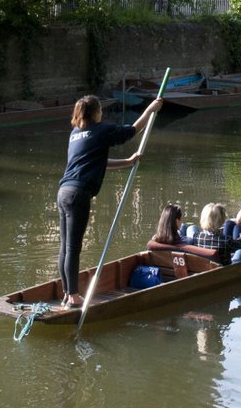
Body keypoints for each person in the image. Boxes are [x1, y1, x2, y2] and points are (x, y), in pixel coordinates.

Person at [56, 92, 163, 309]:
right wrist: (151, 109)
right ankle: (74, 296)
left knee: (65, 248)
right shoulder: (101, 129)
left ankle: (67, 294)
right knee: (73, 248)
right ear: (96, 113)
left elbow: (96, 162)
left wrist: (127, 162)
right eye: (101, 110)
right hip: (78, 194)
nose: (102, 114)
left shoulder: (75, 134)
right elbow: (132, 131)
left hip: (63, 192)